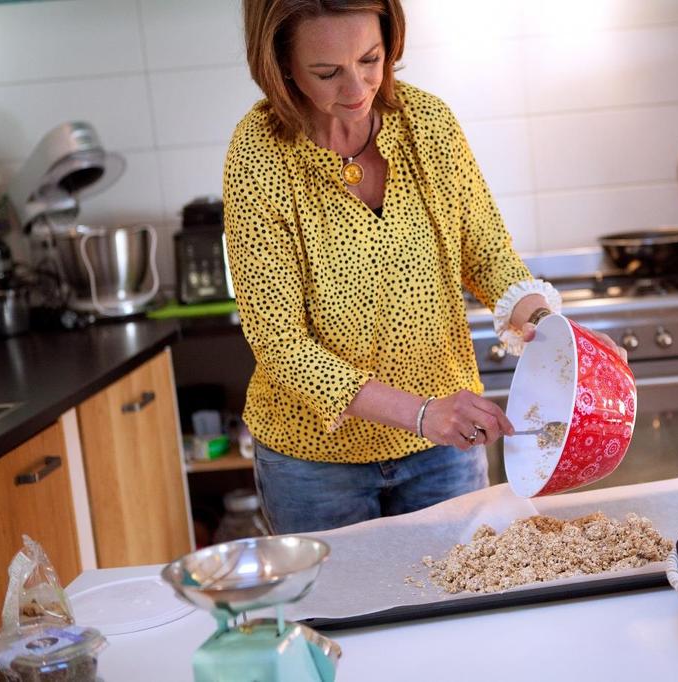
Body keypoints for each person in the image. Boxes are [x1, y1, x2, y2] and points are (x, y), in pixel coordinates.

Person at [225, 0, 624, 534]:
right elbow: (281, 345)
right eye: (327, 72)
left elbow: (486, 254)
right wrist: (422, 413)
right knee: (340, 617)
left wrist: (553, 331)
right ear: (282, 64)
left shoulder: (428, 124)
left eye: (370, 58)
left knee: (459, 609)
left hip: (443, 455)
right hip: (314, 465)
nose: (357, 88)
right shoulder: (259, 156)